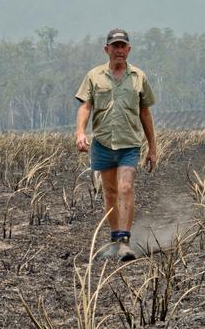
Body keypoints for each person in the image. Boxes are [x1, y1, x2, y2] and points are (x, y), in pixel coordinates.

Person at [75, 28, 157, 262]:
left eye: (123, 46)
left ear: (128, 50)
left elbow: (145, 113)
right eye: (115, 46)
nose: (119, 50)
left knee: (125, 188)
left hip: (129, 144)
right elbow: (85, 107)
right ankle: (114, 239)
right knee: (110, 192)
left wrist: (152, 147)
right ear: (107, 49)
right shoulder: (94, 76)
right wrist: (80, 132)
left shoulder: (138, 77)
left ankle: (125, 241)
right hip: (102, 143)